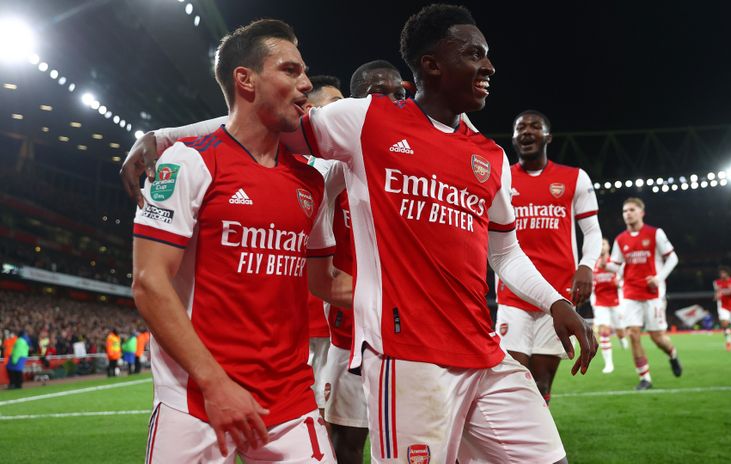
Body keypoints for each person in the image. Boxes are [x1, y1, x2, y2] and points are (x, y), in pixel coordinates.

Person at [122, 6, 596, 463]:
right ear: (432, 65)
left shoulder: (490, 156)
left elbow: (505, 252)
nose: (489, 64)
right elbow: (259, 122)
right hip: (408, 357)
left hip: (484, 350)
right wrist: (163, 138)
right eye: (473, 54)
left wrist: (555, 302)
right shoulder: (367, 120)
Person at [130, 19, 347, 462]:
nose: (306, 84)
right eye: (290, 70)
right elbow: (149, 282)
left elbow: (325, 282)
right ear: (244, 79)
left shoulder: (311, 181)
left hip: (290, 400)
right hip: (195, 399)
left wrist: (412, 300)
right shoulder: (187, 163)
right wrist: (214, 383)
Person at [312, 59, 407, 464]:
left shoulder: (416, 156)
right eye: (373, 96)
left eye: (395, 95)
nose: (385, 104)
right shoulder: (333, 168)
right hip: (347, 330)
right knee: (345, 441)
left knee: (415, 442)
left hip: (410, 333)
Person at [495, 110, 601, 404]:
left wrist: (586, 266)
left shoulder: (574, 178)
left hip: (556, 298)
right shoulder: (500, 179)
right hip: (512, 295)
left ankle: (532, 449)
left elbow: (591, 231)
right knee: (511, 382)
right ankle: (511, 448)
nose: (526, 131)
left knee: (541, 385)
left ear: (548, 137)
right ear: (514, 138)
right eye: (520, 128)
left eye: (534, 126)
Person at [302, 74, 345, 421]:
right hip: (293, 313)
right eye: (337, 105)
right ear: (312, 112)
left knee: (327, 413)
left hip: (332, 311)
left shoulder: (342, 165)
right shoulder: (286, 164)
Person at [610, 197, 682, 390]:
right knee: (633, 334)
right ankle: (645, 378)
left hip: (653, 294)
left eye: (632, 210)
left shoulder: (655, 233)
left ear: (642, 212)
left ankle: (673, 354)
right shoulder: (620, 240)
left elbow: (673, 258)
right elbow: (615, 265)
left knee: (657, 337)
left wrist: (658, 278)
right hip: (630, 293)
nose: (628, 214)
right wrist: (600, 264)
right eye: (625, 211)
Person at [592, 238, 625, 373]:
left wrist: (619, 284)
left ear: (609, 246)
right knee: (604, 332)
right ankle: (609, 364)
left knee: (620, 331)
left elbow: (625, 280)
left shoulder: (615, 264)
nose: (601, 246)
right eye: (598, 244)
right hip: (600, 303)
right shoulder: (592, 265)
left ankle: (622, 339)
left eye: (603, 243)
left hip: (616, 302)